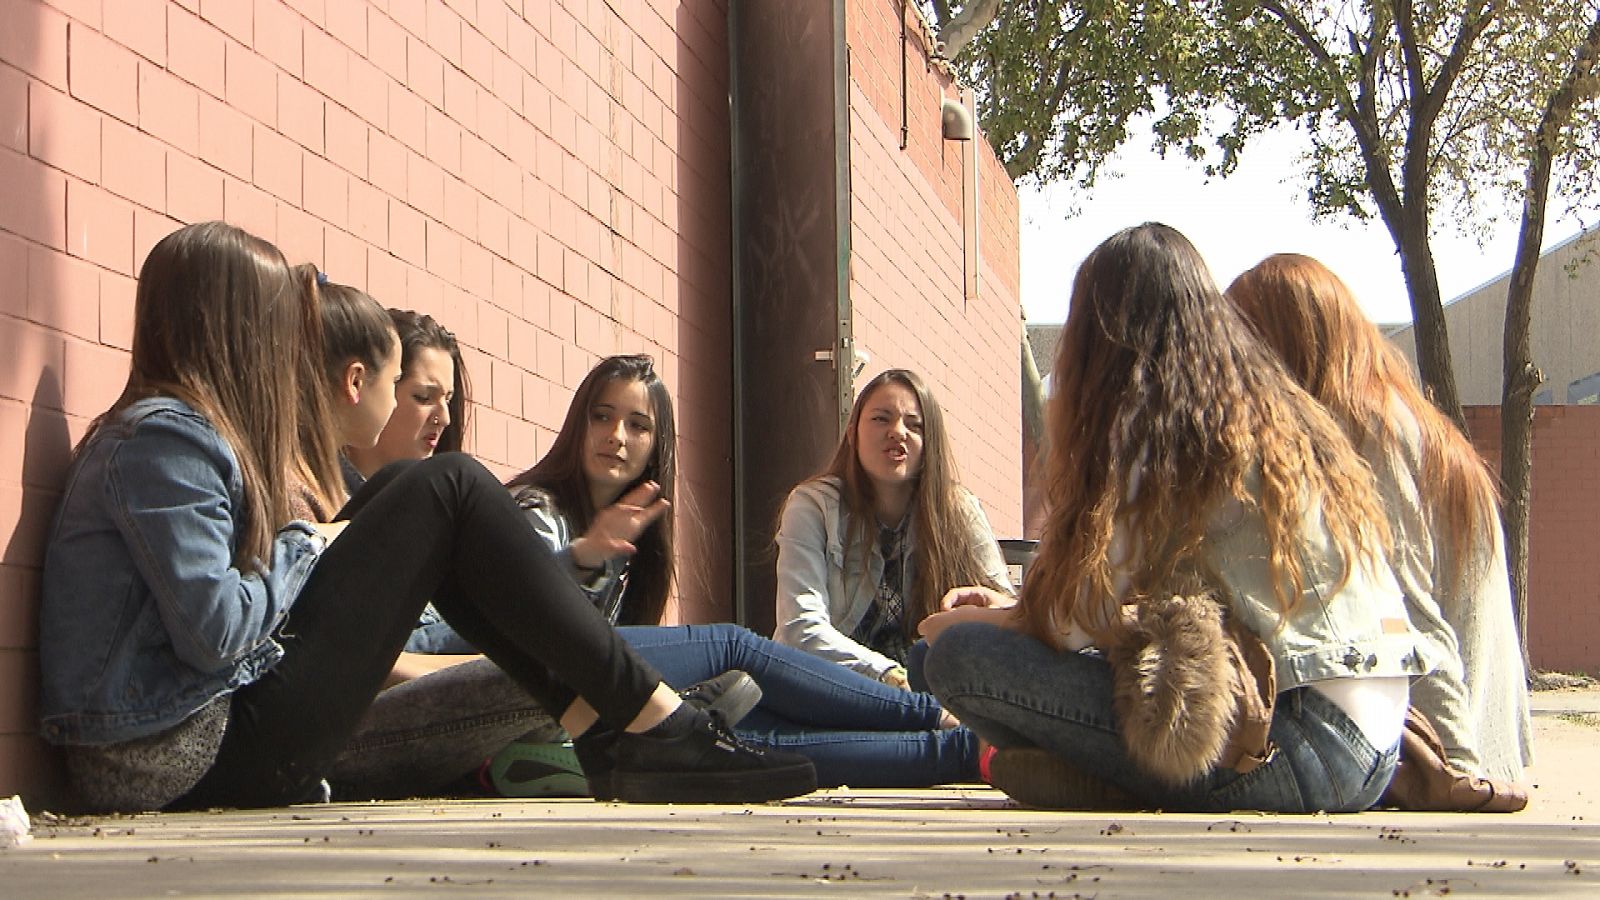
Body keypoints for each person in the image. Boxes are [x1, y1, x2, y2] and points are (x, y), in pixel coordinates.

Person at [37, 221, 816, 812]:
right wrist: (307, 545)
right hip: (181, 757)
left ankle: (614, 729)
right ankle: (647, 726)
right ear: (234, 331)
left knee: (425, 492)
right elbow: (214, 630)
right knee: (446, 487)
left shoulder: (178, 435)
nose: (285, 353)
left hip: (205, 731)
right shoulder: (166, 439)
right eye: (277, 328)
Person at [920, 223, 1428, 813]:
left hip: (1286, 746)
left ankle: (1104, 778)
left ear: (1098, 332)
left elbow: (1074, 621)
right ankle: (1103, 778)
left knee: (955, 660)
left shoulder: (1154, 426)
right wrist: (1014, 613)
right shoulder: (1277, 414)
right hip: (1380, 751)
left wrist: (998, 623)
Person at [339, 350, 977, 793]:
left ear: (657, 446)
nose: (615, 435)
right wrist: (583, 558)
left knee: (743, 734)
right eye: (601, 416)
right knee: (729, 644)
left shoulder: (632, 535)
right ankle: (939, 726)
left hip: (559, 715)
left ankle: (966, 752)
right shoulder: (538, 514)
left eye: (637, 425)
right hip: (514, 700)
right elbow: (508, 628)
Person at [1225, 253, 1532, 782]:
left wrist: (1458, 769)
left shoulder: (1372, 426)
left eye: (1245, 345)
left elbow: (1414, 614)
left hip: (1450, 745)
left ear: (1288, 345)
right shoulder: (1380, 410)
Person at [774, 369, 1012, 687]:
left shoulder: (959, 510)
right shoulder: (813, 506)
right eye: (881, 419)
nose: (897, 432)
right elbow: (799, 630)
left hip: (935, 691)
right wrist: (892, 677)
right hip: (837, 688)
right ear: (851, 432)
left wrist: (993, 608)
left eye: (915, 425)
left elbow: (1010, 613)